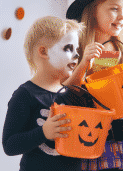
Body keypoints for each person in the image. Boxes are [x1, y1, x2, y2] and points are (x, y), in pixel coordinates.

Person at [65, 0, 123, 170]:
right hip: (92, 135)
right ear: (93, 10)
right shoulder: (74, 49)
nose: (122, 17)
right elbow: (65, 94)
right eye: (114, 9)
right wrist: (84, 64)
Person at [2, 16, 84, 171]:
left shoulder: (72, 94)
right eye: (68, 48)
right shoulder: (25, 95)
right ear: (44, 52)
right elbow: (9, 145)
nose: (76, 55)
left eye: (77, 49)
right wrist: (43, 132)